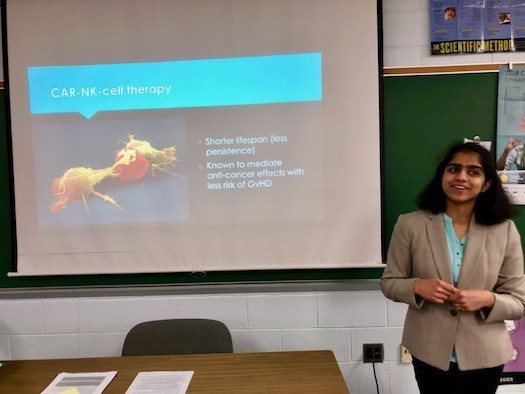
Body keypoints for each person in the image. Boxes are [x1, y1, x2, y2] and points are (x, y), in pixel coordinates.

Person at [381, 142, 525, 394]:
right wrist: (416, 286)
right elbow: (389, 282)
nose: (461, 177)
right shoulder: (410, 225)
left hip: (486, 352)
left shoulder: (505, 230)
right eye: (453, 169)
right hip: (429, 349)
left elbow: (518, 301)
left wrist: (488, 299)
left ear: (487, 183)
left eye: (473, 171)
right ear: (442, 176)